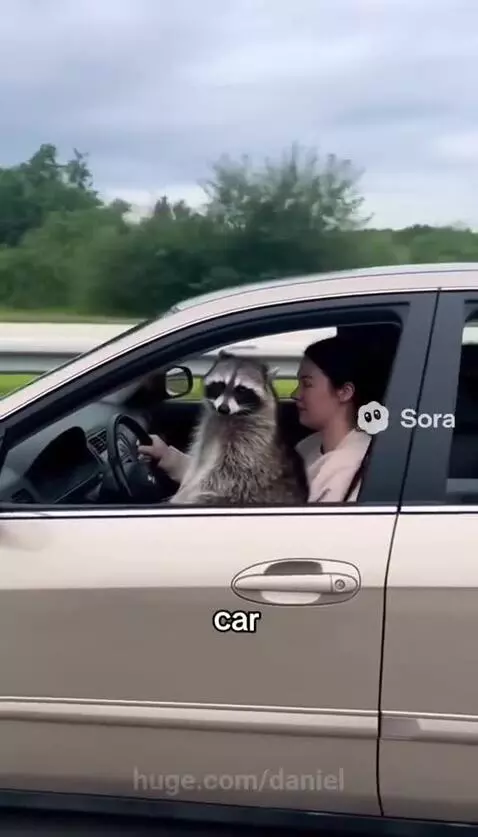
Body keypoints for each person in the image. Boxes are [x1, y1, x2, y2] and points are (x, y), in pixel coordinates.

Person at [138, 335, 374, 503]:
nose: (295, 394)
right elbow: (231, 481)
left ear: (344, 392)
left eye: (307, 384)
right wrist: (167, 457)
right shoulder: (313, 445)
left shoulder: (352, 468)